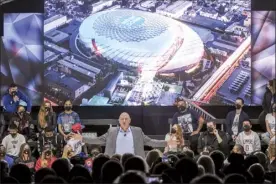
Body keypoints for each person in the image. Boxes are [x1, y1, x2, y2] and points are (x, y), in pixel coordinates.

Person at [83, 112, 168, 158]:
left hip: (133, 163)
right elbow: (98, 140)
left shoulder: (137, 131)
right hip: (115, 164)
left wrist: (166, 143)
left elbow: (151, 141)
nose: (124, 121)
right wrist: (82, 139)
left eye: (126, 119)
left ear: (130, 120)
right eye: (122, 119)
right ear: (119, 121)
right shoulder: (111, 131)